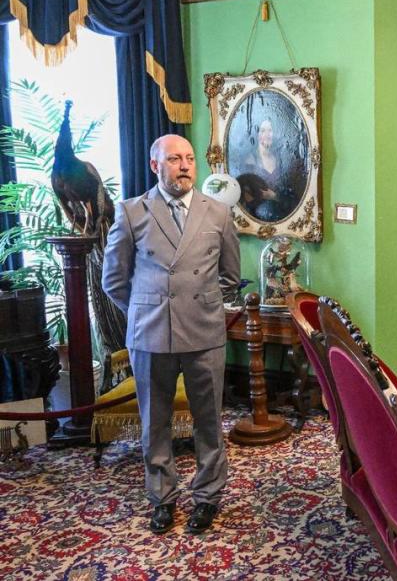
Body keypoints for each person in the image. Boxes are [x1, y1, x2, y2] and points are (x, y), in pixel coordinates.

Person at [102, 134, 241, 535]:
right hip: (151, 334)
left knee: (209, 421)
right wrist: (148, 307)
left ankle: (207, 497)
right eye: (174, 159)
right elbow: (114, 279)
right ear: (155, 166)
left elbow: (230, 275)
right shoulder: (131, 212)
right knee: (155, 422)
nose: (184, 165)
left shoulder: (217, 212)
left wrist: (194, 303)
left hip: (204, 330)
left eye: (190, 158)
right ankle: (161, 498)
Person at [238, 117, 306, 222]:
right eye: (263, 130)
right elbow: (246, 199)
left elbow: (291, 193)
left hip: (284, 216)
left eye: (270, 130)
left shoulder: (281, 160)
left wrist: (275, 196)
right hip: (258, 219)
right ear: (257, 134)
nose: (267, 134)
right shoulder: (249, 161)